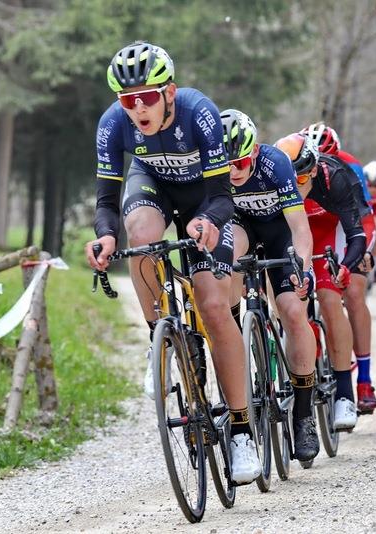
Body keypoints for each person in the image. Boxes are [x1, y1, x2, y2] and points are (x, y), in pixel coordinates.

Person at [85, 42, 260, 483]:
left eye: (147, 96)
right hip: (153, 187)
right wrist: (105, 235)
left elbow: (223, 197)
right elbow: (106, 202)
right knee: (141, 235)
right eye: (128, 100)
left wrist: (209, 221)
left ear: (169, 92)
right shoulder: (113, 124)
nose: (138, 108)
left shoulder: (199, 113)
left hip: (205, 199)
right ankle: (159, 341)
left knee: (215, 307)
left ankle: (242, 431)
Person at [221, 109, 321, 459]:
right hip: (242, 229)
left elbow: (300, 229)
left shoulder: (275, 164)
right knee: (228, 255)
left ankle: (304, 414)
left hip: (280, 233)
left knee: (293, 312)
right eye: (227, 165)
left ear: (253, 152)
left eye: (240, 163)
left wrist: (302, 269)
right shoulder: (216, 171)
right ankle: (235, 329)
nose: (234, 172)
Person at [276, 132, 376, 421]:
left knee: (333, 297)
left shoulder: (338, 174)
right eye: (290, 180)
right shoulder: (276, 173)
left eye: (301, 179)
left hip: (331, 230)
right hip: (296, 230)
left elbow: (359, 228)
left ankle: (347, 392)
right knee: (290, 303)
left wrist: (349, 264)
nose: (295, 186)